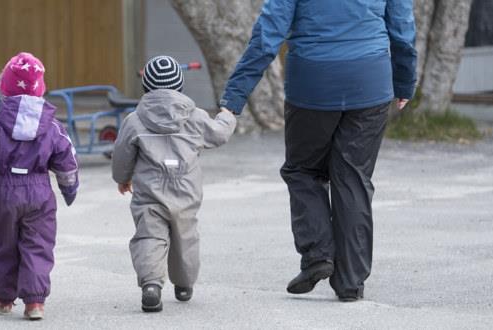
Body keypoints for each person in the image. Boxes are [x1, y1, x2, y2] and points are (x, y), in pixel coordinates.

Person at [220, 0, 417, 301]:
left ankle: (317, 255)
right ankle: (350, 282)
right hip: (370, 82)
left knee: (302, 170)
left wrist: (235, 96)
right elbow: (402, 30)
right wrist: (404, 80)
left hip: (312, 85)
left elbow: (267, 35)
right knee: (353, 178)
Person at [0, 52, 79, 319]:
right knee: (38, 244)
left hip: (4, 193)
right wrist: (69, 187)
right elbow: (66, 158)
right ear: (41, 89)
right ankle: (35, 302)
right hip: (40, 192)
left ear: (4, 89)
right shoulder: (53, 127)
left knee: (6, 244)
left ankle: (4, 296)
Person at [112, 55, 236, 312]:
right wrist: (227, 116)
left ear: (146, 87)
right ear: (179, 87)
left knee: (149, 235)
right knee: (185, 237)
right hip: (186, 190)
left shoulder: (134, 120)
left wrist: (122, 178)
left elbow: (122, 154)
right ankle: (184, 284)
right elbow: (219, 133)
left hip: (150, 192)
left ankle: (151, 285)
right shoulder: (196, 117)